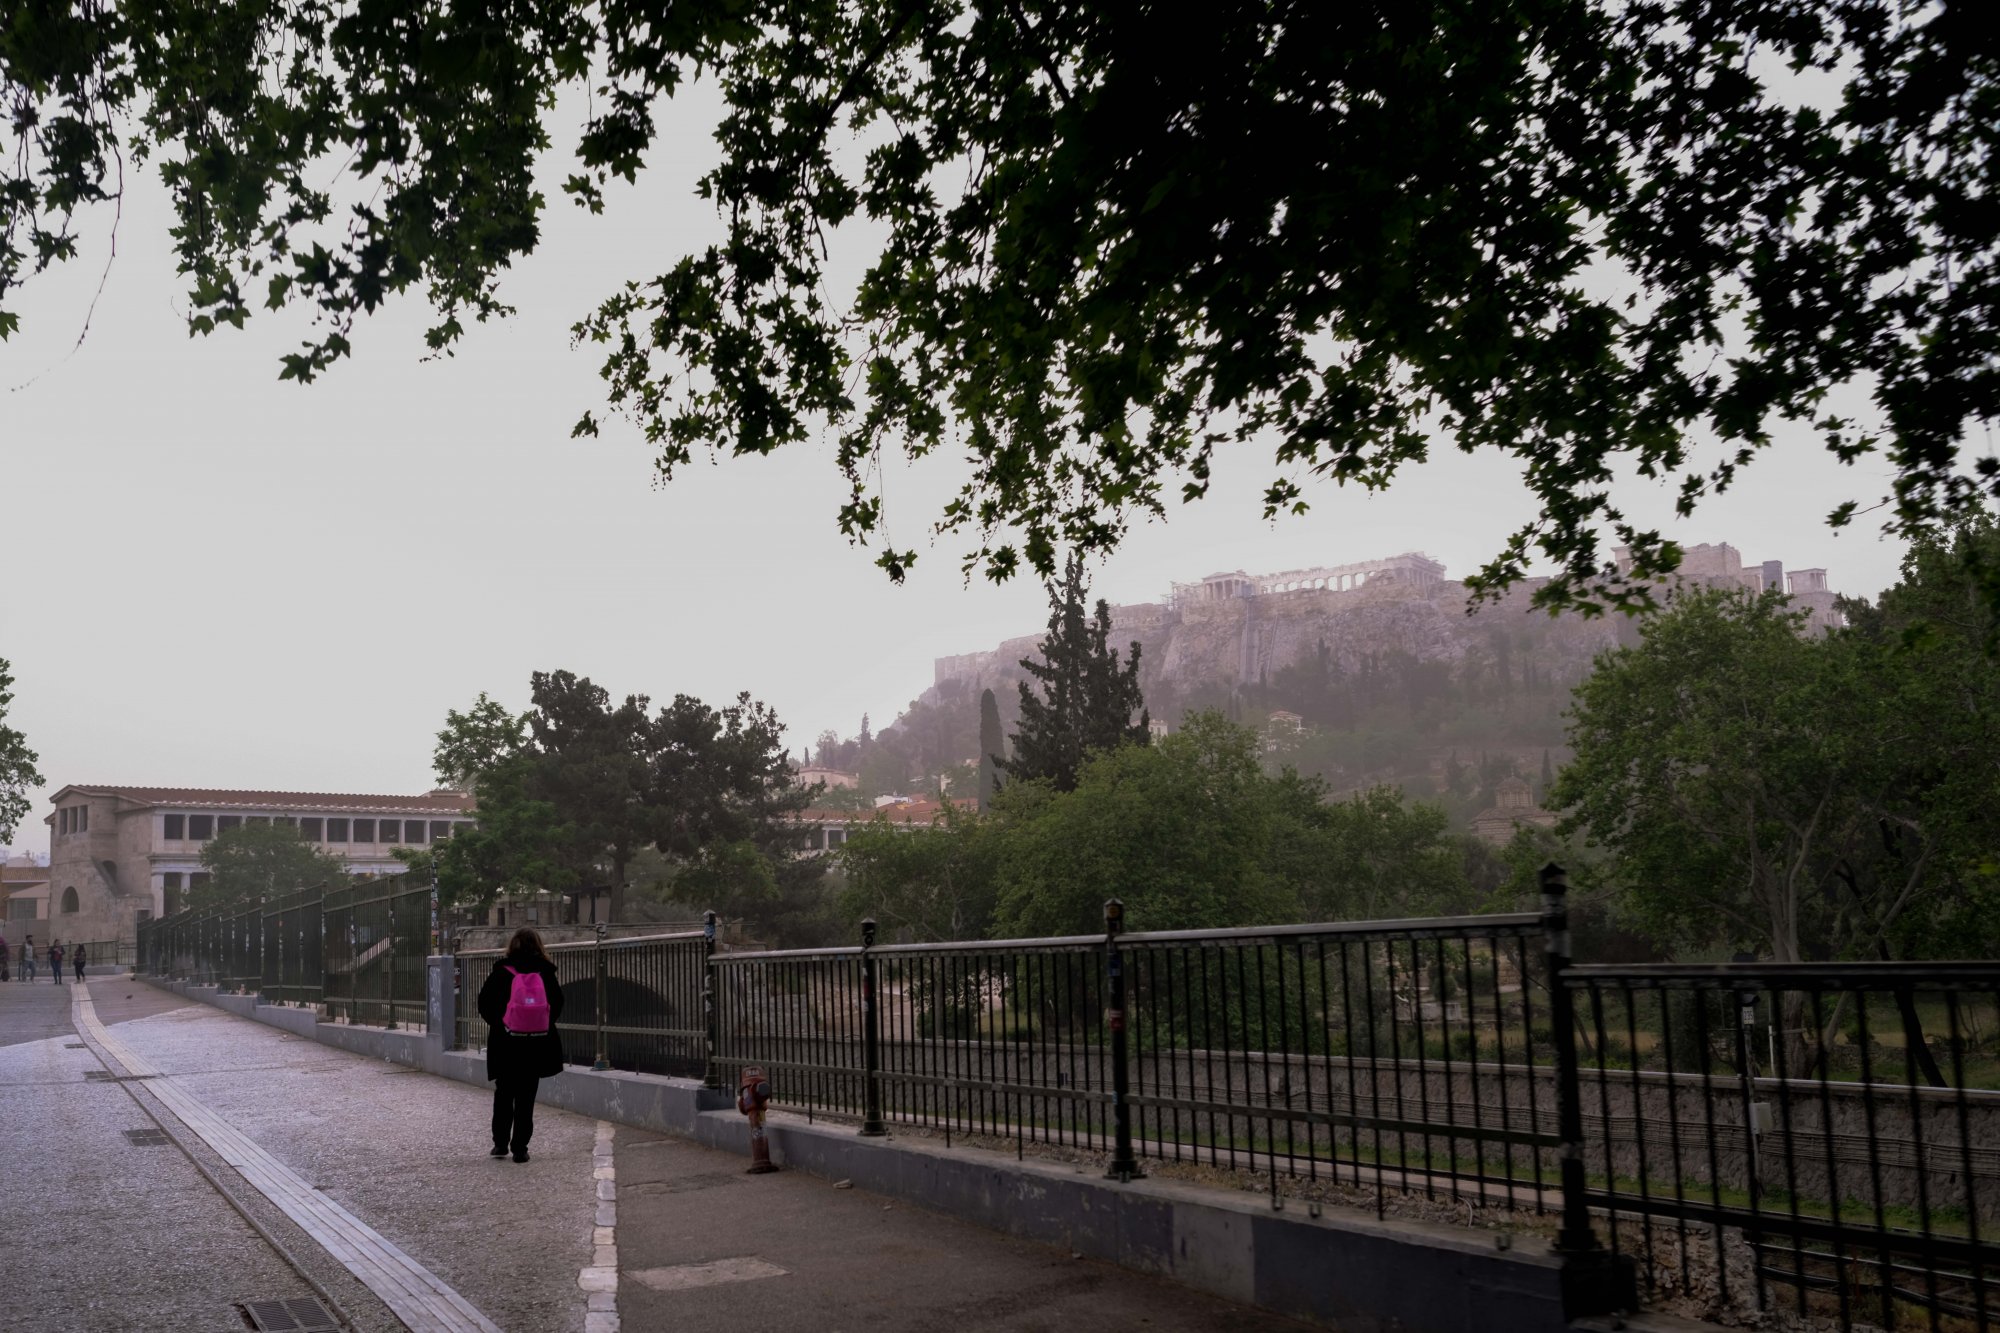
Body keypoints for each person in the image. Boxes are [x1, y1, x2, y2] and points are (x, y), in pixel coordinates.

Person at [476, 928, 565, 1163]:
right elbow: (557, 1004)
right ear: (538, 946)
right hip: (535, 1044)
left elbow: (484, 1003)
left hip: (505, 1043)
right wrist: (539, 1024)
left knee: (504, 1093)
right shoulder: (545, 972)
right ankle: (520, 1148)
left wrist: (501, 1024)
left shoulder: (502, 972)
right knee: (527, 1096)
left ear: (512, 946)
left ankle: (500, 1144)